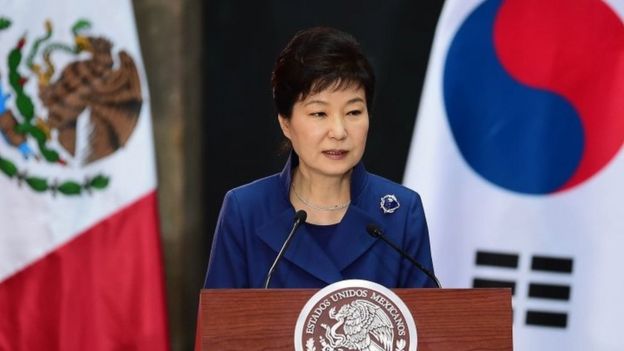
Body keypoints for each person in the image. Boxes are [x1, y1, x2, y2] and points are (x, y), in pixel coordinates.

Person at [204, 26, 434, 289]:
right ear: (286, 123)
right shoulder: (245, 210)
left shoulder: (400, 212)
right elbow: (221, 327)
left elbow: (425, 326)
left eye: (353, 112)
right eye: (319, 114)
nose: (339, 131)